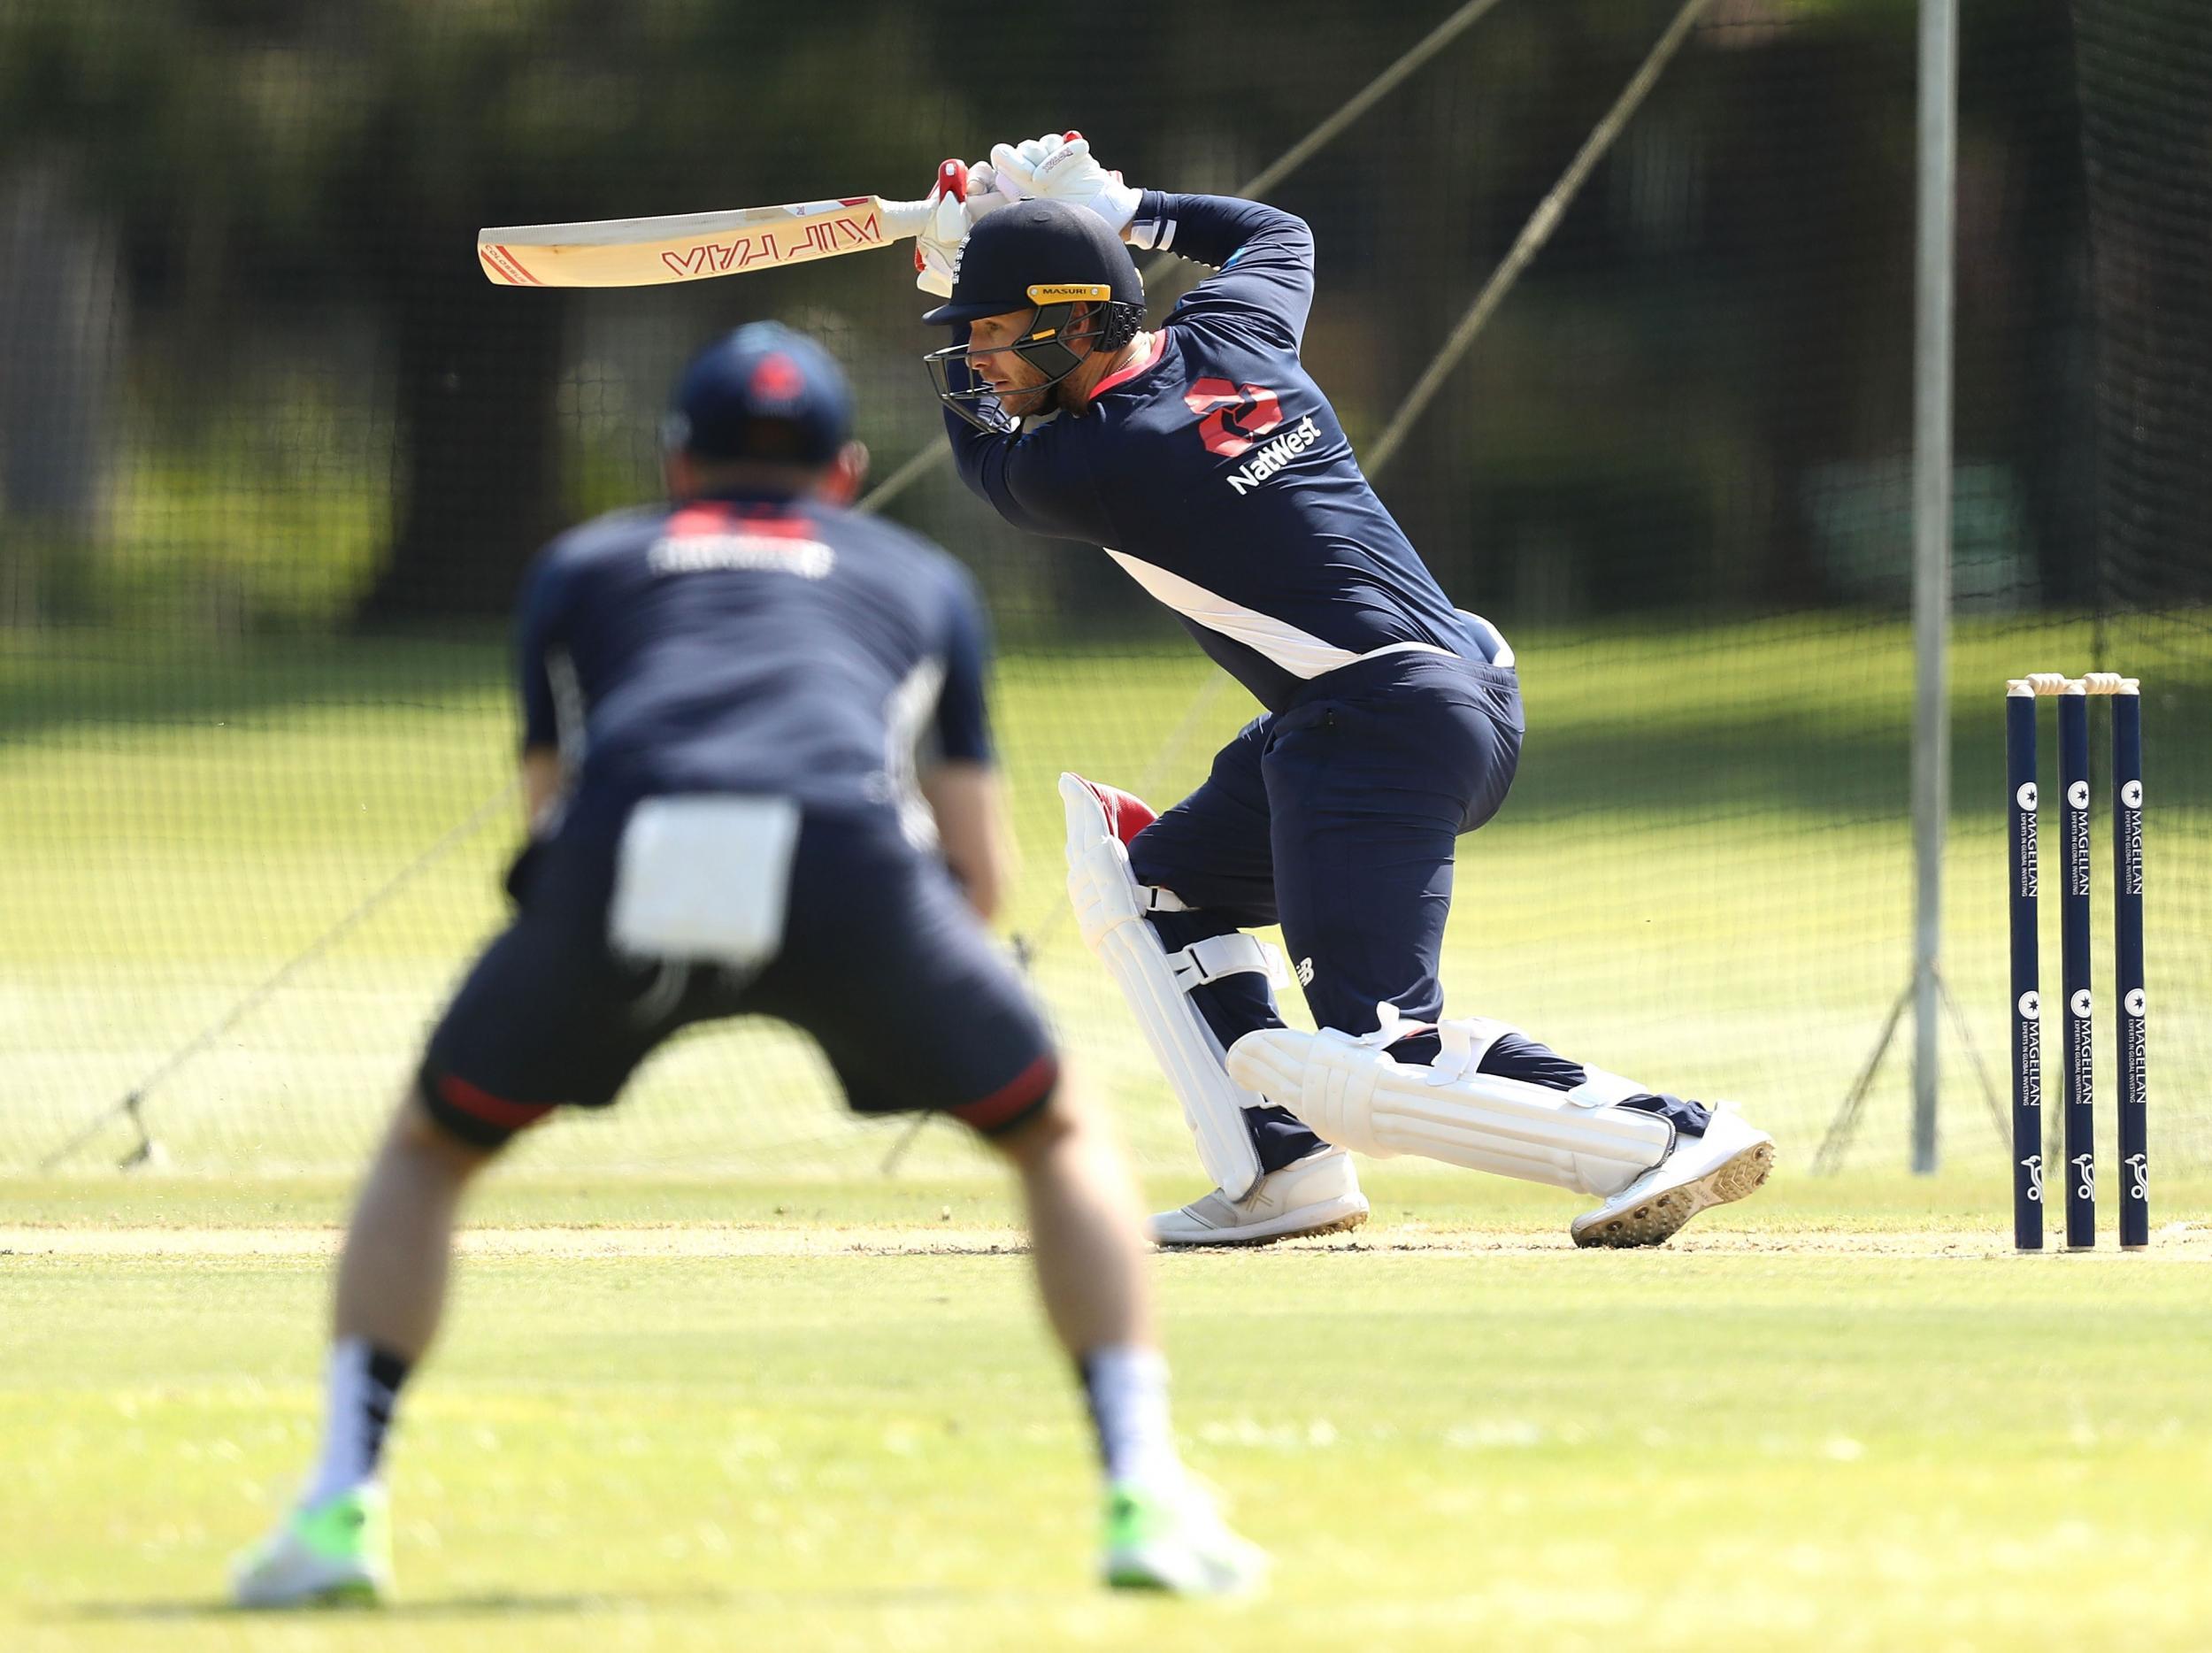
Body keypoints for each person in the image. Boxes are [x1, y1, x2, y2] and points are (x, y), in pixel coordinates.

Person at [230, 322, 1264, 1607]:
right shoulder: (919, 575)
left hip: (635, 850)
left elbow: (549, 811)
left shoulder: (582, 564)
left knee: (433, 1149)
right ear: (843, 469)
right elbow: (979, 869)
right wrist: (925, 986)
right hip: (846, 863)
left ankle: (338, 1507)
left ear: (676, 465)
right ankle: (1146, 1498)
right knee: (1054, 1138)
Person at [911, 135, 1773, 1249]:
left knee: (1377, 1053)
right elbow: (1276, 234)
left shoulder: (1097, 457)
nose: (976, 358)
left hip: (1375, 725)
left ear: (1078, 323)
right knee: (1153, 890)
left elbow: (984, 461)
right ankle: (1281, 1175)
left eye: (990, 332)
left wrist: (945, 263)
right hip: (1413, 702)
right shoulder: (1238, 333)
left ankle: (1664, 1133)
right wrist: (1126, 207)